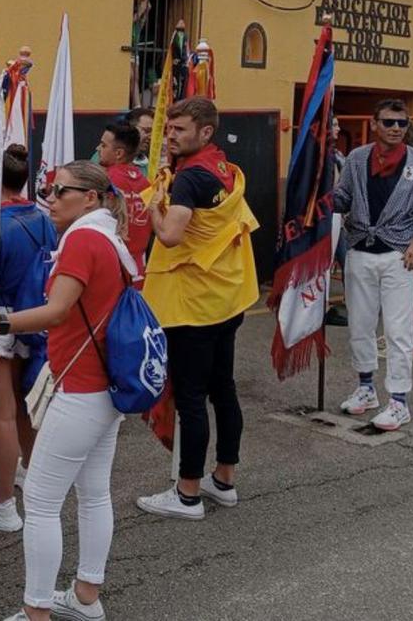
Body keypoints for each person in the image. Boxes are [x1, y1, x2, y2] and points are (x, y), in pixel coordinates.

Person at [0, 161, 136, 621]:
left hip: (80, 388)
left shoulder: (82, 238)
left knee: (39, 501)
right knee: (93, 493)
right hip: (105, 388)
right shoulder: (110, 237)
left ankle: (37, 611)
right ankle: (85, 596)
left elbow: (56, 311)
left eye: (60, 191)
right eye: (47, 190)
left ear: (90, 198)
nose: (50, 199)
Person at [135, 96, 259, 520]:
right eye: (169, 129)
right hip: (226, 296)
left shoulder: (189, 180)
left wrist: (154, 209)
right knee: (223, 388)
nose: (170, 136)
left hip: (192, 304)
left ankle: (187, 492)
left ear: (205, 132)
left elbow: (170, 236)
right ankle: (223, 479)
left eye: (180, 130)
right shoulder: (226, 170)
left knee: (191, 396)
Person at [335, 99, 413, 431]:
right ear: (374, 124)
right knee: (360, 325)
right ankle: (366, 389)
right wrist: (319, 190)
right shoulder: (356, 160)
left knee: (399, 332)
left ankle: (399, 402)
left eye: (402, 123)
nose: (396, 129)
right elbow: (342, 199)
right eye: (388, 122)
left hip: (400, 257)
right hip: (359, 251)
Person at [0, 144, 57, 534]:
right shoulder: (42, 216)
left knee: (4, 415)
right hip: (31, 318)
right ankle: (28, 477)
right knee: (23, 409)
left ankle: (3, 504)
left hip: (2, 322)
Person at [96, 123, 150, 279]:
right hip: (139, 268)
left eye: (103, 145)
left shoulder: (104, 182)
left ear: (118, 153)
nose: (99, 149)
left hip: (111, 266)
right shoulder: (146, 184)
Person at [325, 115, 350, 327]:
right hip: (324, 218)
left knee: (348, 262)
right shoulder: (316, 157)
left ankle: (352, 305)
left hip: (340, 219)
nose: (338, 128)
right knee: (322, 265)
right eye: (334, 124)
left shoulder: (339, 156)